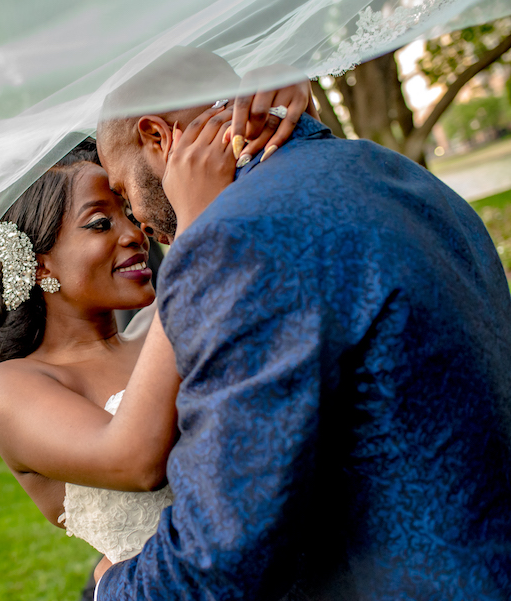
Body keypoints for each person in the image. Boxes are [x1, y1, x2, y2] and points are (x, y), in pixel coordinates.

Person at [93, 48, 511, 599]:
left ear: (156, 137)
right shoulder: (395, 172)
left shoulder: (235, 242)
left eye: (124, 193)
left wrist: (111, 587)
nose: (140, 225)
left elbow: (221, 549)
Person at [0, 76, 315, 574]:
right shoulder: (11, 388)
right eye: (99, 222)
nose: (135, 234)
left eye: (129, 213)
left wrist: (283, 117)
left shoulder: (166, 316)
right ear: (38, 263)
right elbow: (134, 460)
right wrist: (195, 227)